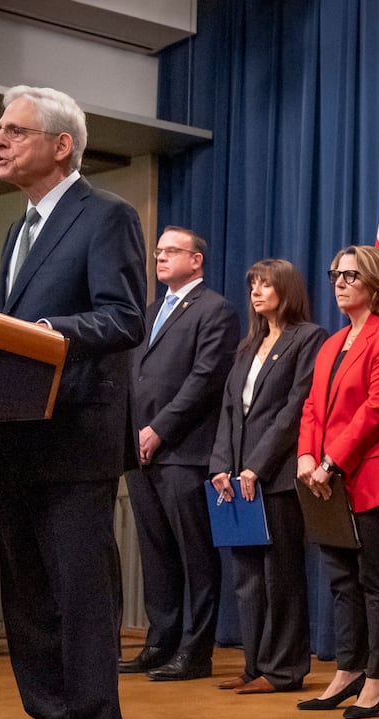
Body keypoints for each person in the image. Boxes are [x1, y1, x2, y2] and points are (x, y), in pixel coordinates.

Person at [0, 85, 146, 719]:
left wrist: (47, 333)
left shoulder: (106, 216)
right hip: (20, 433)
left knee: (80, 596)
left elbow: (124, 317)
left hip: (77, 434)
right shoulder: (18, 229)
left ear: (61, 144)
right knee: (28, 595)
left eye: (15, 129)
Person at [295, 246, 379, 719]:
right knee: (341, 580)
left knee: (375, 580)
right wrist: (307, 455)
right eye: (335, 274)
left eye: (351, 275)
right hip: (328, 476)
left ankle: (377, 680)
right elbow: (312, 406)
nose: (339, 282)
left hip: (376, 475)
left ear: (375, 283)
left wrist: (331, 461)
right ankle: (347, 671)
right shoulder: (331, 343)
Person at [120, 226, 237, 682]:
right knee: (156, 555)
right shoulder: (149, 313)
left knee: (195, 557)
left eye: (171, 251)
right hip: (140, 450)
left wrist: (159, 431)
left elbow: (204, 380)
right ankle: (160, 642)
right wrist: (132, 433)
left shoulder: (214, 310)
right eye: (158, 252)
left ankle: (195, 651)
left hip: (184, 452)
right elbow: (135, 379)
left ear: (197, 261)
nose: (161, 258)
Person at [209, 260, 326, 695]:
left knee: (281, 575)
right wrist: (221, 465)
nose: (256, 292)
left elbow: (295, 409)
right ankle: (254, 664)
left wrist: (257, 465)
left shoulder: (308, 338)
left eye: (266, 284)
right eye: (253, 284)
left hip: (274, 477)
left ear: (286, 289)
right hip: (237, 479)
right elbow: (228, 411)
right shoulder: (246, 346)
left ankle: (284, 671)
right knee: (246, 578)